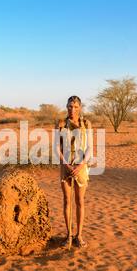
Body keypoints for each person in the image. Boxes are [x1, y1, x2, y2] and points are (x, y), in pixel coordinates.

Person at [55, 96, 93, 248]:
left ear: (80, 108)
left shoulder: (86, 124)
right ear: (66, 107)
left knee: (80, 201)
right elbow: (57, 147)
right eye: (70, 106)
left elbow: (90, 147)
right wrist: (66, 164)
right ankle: (68, 235)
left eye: (76, 107)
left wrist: (82, 164)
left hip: (81, 167)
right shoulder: (61, 124)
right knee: (67, 201)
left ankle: (79, 235)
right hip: (66, 166)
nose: (72, 109)